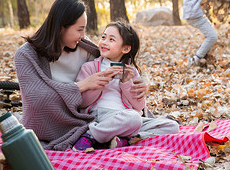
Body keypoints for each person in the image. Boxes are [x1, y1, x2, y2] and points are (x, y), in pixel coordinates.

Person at [14, 0, 149, 151]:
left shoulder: (85, 48)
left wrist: (142, 83)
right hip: (69, 121)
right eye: (79, 29)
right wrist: (81, 86)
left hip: (107, 116)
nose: (84, 36)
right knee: (130, 121)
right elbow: (37, 100)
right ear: (61, 27)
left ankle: (117, 136)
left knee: (156, 123)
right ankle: (101, 136)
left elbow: (117, 61)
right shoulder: (26, 55)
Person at [73, 21, 180, 151]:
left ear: (125, 49)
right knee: (133, 118)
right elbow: (82, 102)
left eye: (111, 39)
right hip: (103, 116)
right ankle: (90, 136)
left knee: (172, 126)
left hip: (128, 119)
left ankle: (126, 140)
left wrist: (126, 83)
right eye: (103, 37)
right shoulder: (89, 68)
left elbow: (139, 106)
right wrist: (100, 83)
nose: (104, 42)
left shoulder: (131, 72)